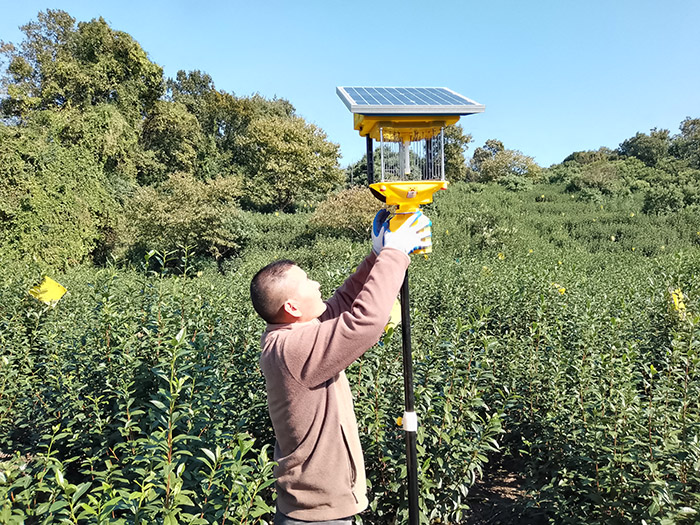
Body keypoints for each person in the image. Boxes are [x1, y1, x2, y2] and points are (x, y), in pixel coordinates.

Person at [249, 209, 432, 524]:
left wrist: (375, 257)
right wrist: (395, 254)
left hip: (312, 507)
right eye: (307, 282)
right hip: (317, 515)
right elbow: (365, 322)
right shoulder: (294, 350)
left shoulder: (289, 335)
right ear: (291, 307)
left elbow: (340, 304)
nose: (317, 283)